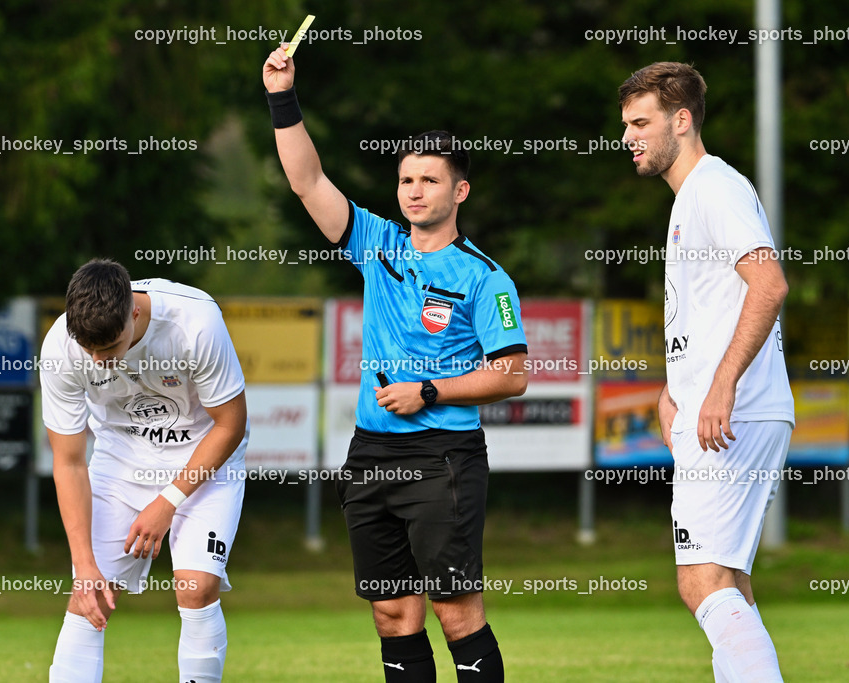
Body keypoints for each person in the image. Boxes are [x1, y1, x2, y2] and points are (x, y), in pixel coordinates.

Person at [263, 44, 528, 683]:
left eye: (429, 179)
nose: (414, 190)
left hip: (444, 455)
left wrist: (429, 391)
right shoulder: (378, 244)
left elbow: (513, 375)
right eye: (406, 179)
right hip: (371, 454)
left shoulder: (485, 278)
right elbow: (307, 182)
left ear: (459, 191)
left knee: (455, 608)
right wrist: (282, 97)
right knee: (390, 610)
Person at [619, 62, 795, 681]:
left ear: (683, 120)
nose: (629, 137)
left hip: (734, 413)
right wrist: (675, 390)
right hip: (727, 409)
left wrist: (719, 386)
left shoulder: (715, 187)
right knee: (729, 584)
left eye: (641, 123)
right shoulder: (691, 198)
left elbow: (768, 284)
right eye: (626, 126)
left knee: (701, 582)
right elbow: (714, 305)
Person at [41, 258, 248, 683]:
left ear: (134, 312)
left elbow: (230, 425)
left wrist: (168, 501)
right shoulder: (59, 349)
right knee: (88, 597)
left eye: (110, 349)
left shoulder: (195, 321)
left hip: (202, 457)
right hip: (120, 461)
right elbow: (69, 461)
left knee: (196, 587)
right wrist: (84, 568)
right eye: (89, 351)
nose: (99, 362)